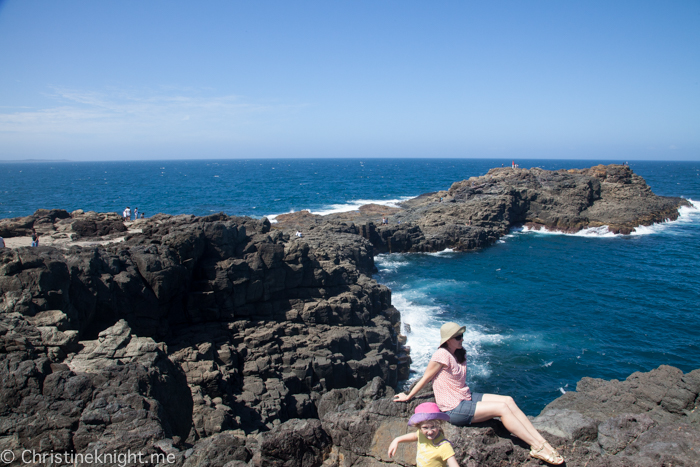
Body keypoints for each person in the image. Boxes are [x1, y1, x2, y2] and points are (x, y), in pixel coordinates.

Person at [393, 322, 564, 465]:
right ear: (448, 340)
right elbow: (425, 377)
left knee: (508, 400)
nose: (462, 339)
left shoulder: (459, 353)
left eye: (462, 336)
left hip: (464, 396)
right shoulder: (441, 355)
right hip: (453, 408)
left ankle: (541, 442)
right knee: (503, 409)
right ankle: (536, 447)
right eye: (458, 337)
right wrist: (408, 395)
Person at [388, 402, 459, 467]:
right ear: (419, 427)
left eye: (433, 427)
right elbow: (415, 436)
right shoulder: (421, 434)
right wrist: (397, 440)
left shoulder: (443, 446)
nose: (430, 432)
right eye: (425, 428)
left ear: (439, 424)